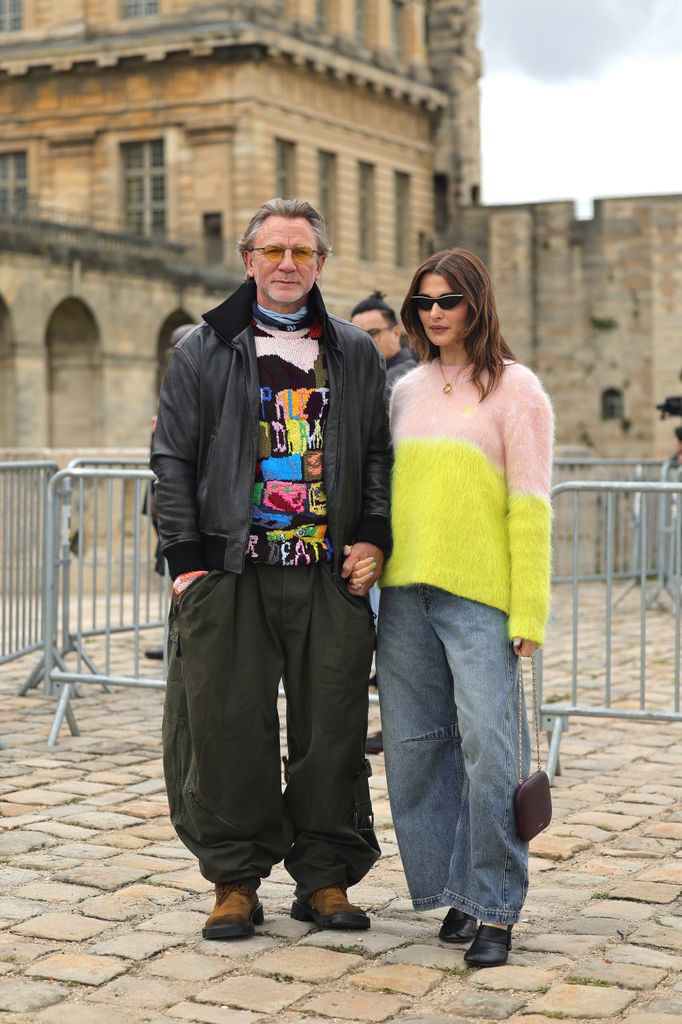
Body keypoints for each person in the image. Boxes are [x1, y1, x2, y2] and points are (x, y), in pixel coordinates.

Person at [151, 198, 391, 940]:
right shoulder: (202, 347)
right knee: (227, 730)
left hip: (326, 573)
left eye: (302, 253)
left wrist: (373, 535)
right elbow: (172, 458)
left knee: (332, 731)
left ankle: (324, 878)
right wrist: (187, 564)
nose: (288, 265)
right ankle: (234, 878)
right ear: (248, 259)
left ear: (321, 263)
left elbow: (379, 455)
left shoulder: (353, 351)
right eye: (274, 251)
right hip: (232, 572)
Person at [361, 248, 553, 967]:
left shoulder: (517, 390)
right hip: (404, 596)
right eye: (423, 304)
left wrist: (527, 612)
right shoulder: (406, 390)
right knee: (416, 751)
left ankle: (496, 906)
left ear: (476, 304)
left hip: (479, 601)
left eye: (448, 301)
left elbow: (530, 507)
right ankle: (456, 895)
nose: (435, 314)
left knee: (489, 748)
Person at [350, 292, 418, 754]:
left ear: (396, 332)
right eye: (360, 335)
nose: (368, 342)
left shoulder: (404, 380)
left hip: (399, 524)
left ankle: (404, 728)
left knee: (399, 644)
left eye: (374, 332)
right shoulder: (373, 374)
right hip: (379, 522)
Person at [145, 323, 196, 661]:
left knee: (179, 576)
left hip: (182, 504)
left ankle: (178, 641)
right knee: (169, 574)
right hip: (163, 493)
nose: (170, 353)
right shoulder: (172, 380)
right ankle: (171, 638)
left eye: (175, 346)